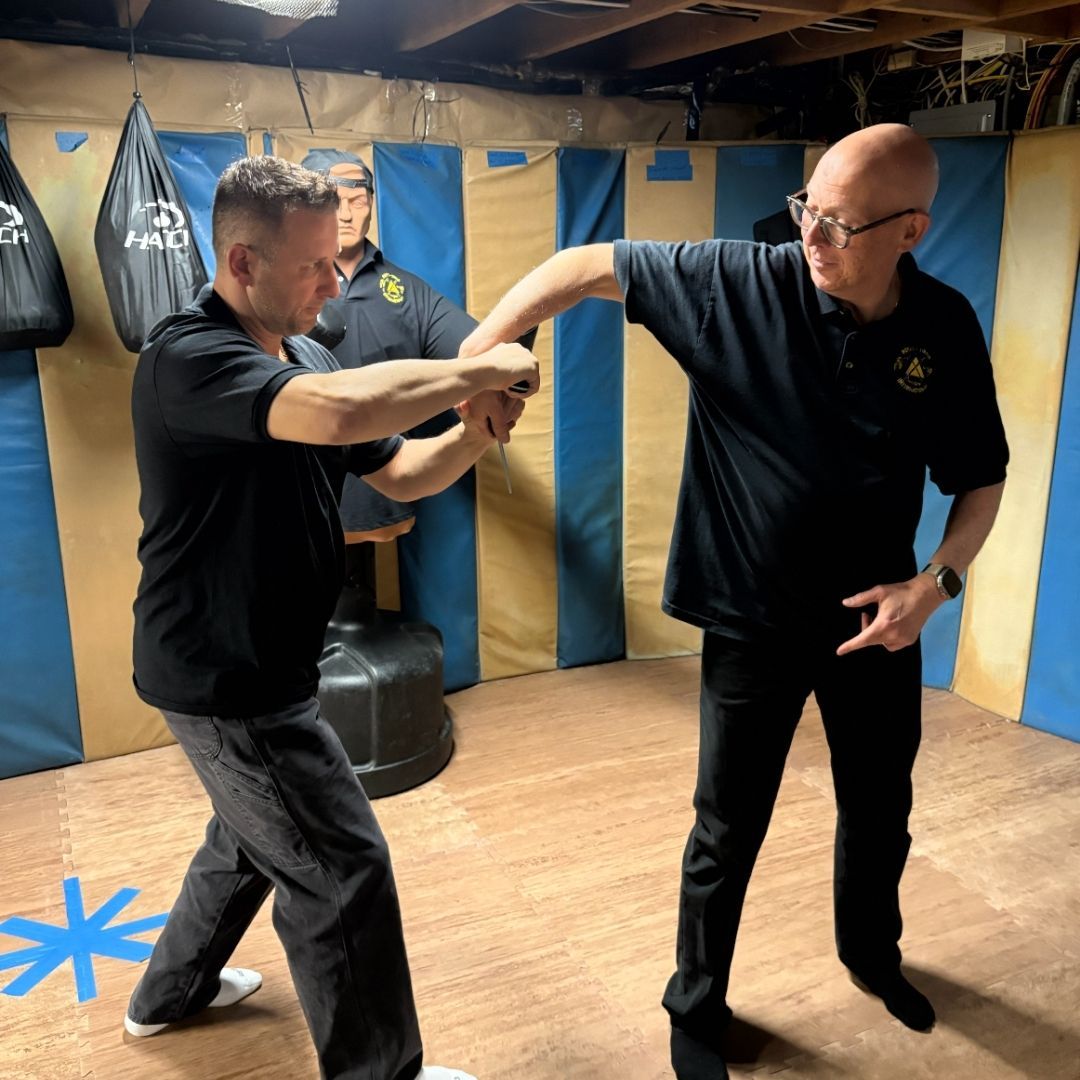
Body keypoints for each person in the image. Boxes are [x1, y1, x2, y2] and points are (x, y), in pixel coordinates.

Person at [458, 124, 1008, 1080]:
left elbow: (981, 480)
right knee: (727, 828)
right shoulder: (738, 283)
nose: (812, 234)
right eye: (808, 208)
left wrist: (937, 584)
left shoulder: (945, 327)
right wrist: (485, 350)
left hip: (879, 623)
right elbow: (585, 264)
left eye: (839, 223)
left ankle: (872, 957)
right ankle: (696, 1007)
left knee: (881, 812)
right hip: (751, 621)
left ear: (910, 230)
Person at [124, 154, 538, 1080]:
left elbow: (400, 471)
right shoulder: (187, 359)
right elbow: (341, 411)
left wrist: (474, 427)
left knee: (248, 839)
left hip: (262, 663)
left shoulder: (306, 348)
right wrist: (476, 365)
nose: (333, 280)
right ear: (240, 263)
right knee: (342, 872)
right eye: (313, 265)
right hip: (228, 678)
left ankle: (165, 999)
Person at [299, 149, 480, 605]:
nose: (345, 213)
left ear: (373, 202)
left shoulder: (402, 289)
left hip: (381, 478)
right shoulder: (282, 287)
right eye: (332, 199)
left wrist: (507, 362)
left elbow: (473, 349)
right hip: (299, 483)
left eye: (357, 200)